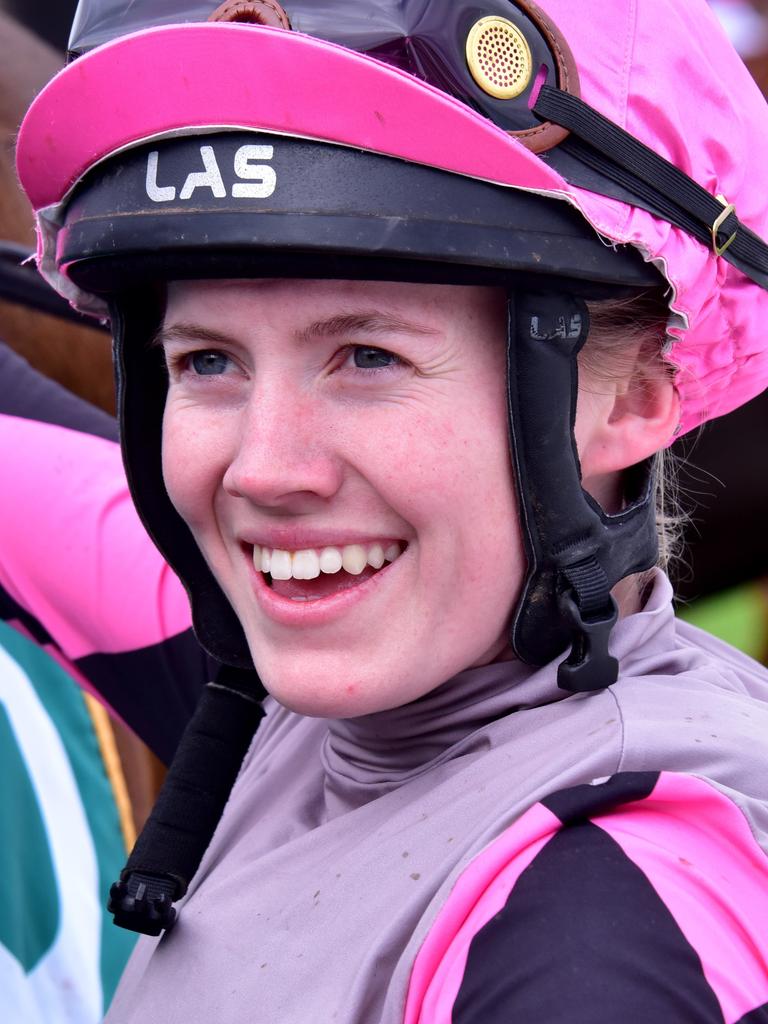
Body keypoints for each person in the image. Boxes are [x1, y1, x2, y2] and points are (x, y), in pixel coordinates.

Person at [14, 0, 768, 1020]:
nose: (265, 470)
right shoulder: (292, 697)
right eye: (207, 360)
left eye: (369, 356)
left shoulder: (598, 923)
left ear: (634, 394)